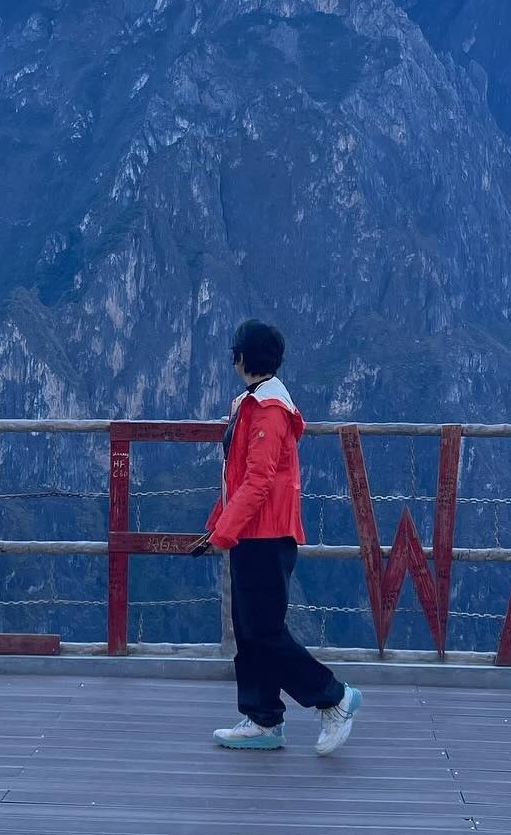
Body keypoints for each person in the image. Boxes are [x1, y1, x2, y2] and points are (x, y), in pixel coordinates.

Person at [189, 318, 362, 755]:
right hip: (250, 533)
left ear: (241, 357)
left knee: (265, 632)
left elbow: (259, 480)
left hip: (266, 535)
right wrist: (218, 525)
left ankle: (335, 697)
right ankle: (263, 718)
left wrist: (224, 531)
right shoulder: (253, 403)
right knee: (249, 631)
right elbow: (235, 479)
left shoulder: (269, 410)